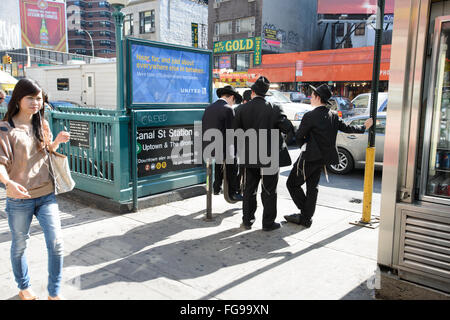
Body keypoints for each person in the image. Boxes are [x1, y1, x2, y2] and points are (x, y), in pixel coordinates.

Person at [0, 78, 70, 300]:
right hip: (19, 199)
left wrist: (56, 142)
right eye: (30, 98)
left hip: (46, 194)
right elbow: (1, 163)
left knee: (57, 244)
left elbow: (46, 152)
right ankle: (24, 287)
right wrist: (9, 183)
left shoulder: (42, 124)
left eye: (39, 98)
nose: (35, 102)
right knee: (20, 245)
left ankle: (54, 292)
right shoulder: (5, 128)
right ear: (18, 99)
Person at [284, 84, 373, 228]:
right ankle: (307, 217)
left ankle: (306, 215)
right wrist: (364, 127)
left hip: (309, 158)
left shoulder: (310, 116)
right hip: (323, 159)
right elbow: (347, 128)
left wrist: (302, 145)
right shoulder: (333, 115)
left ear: (318, 98)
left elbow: (299, 135)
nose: (311, 98)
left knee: (292, 184)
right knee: (312, 188)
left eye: (312, 96)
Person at [234, 76, 294, 231]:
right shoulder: (274, 109)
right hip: (270, 157)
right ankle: (268, 224)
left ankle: (247, 221)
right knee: (269, 190)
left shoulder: (240, 109)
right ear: (265, 94)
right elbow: (288, 128)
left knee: (249, 189)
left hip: (249, 155)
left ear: (252, 92)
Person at [202, 85, 243, 201]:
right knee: (233, 161)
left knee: (219, 159)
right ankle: (233, 192)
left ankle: (216, 186)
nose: (233, 103)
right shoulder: (228, 109)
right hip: (221, 148)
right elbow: (231, 132)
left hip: (207, 147)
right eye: (234, 100)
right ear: (231, 97)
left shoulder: (209, 107)